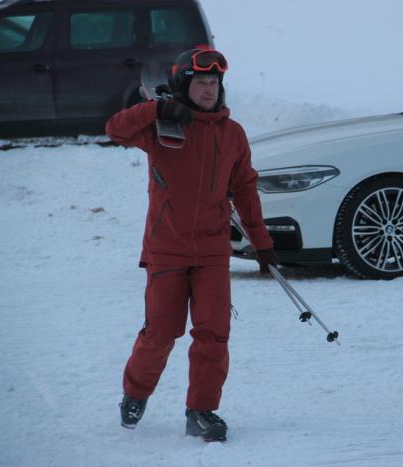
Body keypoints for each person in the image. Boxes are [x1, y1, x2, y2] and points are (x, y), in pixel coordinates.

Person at [105, 48, 276, 442]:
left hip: (213, 250)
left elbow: (246, 188)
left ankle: (201, 411)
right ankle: (135, 392)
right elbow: (115, 129)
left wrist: (261, 241)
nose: (208, 90)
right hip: (167, 248)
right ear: (185, 84)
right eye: (200, 82)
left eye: (214, 83)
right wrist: (156, 110)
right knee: (161, 334)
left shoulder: (232, 134)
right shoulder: (163, 127)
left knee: (214, 333)